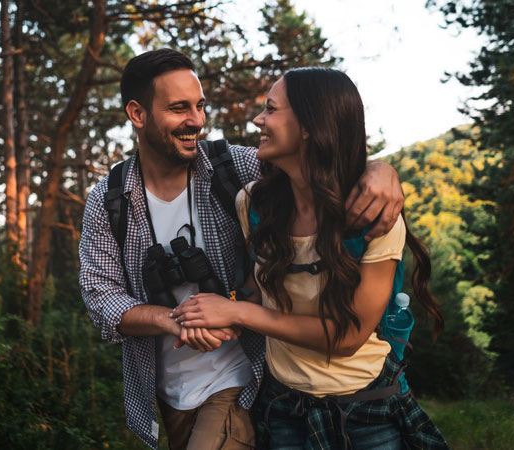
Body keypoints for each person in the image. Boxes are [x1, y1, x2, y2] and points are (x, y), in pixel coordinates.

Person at [78, 50, 405, 450]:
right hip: (165, 389)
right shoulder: (109, 200)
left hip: (240, 376)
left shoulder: (234, 168)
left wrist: (381, 171)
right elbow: (100, 296)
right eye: (179, 108)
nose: (196, 121)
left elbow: (320, 158)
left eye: (199, 106)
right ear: (138, 113)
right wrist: (172, 319)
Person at [171, 67, 449, 449]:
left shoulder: (374, 216)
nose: (258, 119)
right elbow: (256, 291)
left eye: (271, 110)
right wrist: (211, 315)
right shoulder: (253, 203)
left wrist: (237, 313)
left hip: (367, 408)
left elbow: (348, 337)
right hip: (284, 407)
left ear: (307, 126)